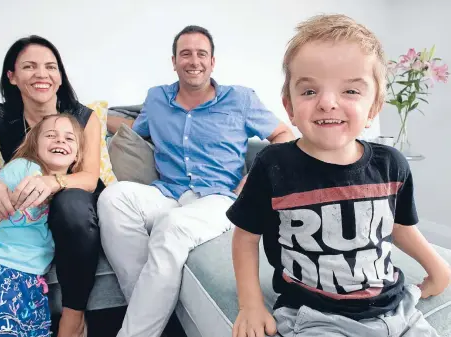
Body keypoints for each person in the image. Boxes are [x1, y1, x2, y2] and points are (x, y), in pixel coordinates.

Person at [226, 14, 451, 337]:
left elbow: (400, 226)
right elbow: (246, 237)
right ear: (288, 106)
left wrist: (437, 267)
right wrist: (251, 305)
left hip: (395, 307)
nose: (327, 103)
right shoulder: (273, 164)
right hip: (315, 316)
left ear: (374, 107)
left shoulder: (392, 165)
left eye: (350, 91)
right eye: (309, 92)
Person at [98, 25, 295, 337]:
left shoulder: (240, 99)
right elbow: (135, 128)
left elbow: (283, 135)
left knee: (172, 227)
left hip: (218, 199)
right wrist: (88, 116)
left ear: (212, 62)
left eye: (201, 54)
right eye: (185, 54)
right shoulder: (157, 98)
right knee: (114, 198)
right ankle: (150, 307)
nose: (194, 60)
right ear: (174, 62)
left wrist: (254, 181)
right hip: (168, 191)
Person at [0, 35, 102, 337]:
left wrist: (53, 181)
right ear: (12, 77)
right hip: (15, 200)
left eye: (50, 66)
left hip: (69, 194)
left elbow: (89, 177)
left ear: (60, 77)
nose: (41, 74)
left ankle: (73, 316)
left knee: (70, 205)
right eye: (29, 66)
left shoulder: (83, 118)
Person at [0, 114, 84, 336]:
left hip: (33, 284)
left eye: (69, 139)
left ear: (77, 155)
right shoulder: (22, 169)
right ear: (35, 144)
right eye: (51, 136)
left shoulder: (72, 192)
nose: (60, 141)